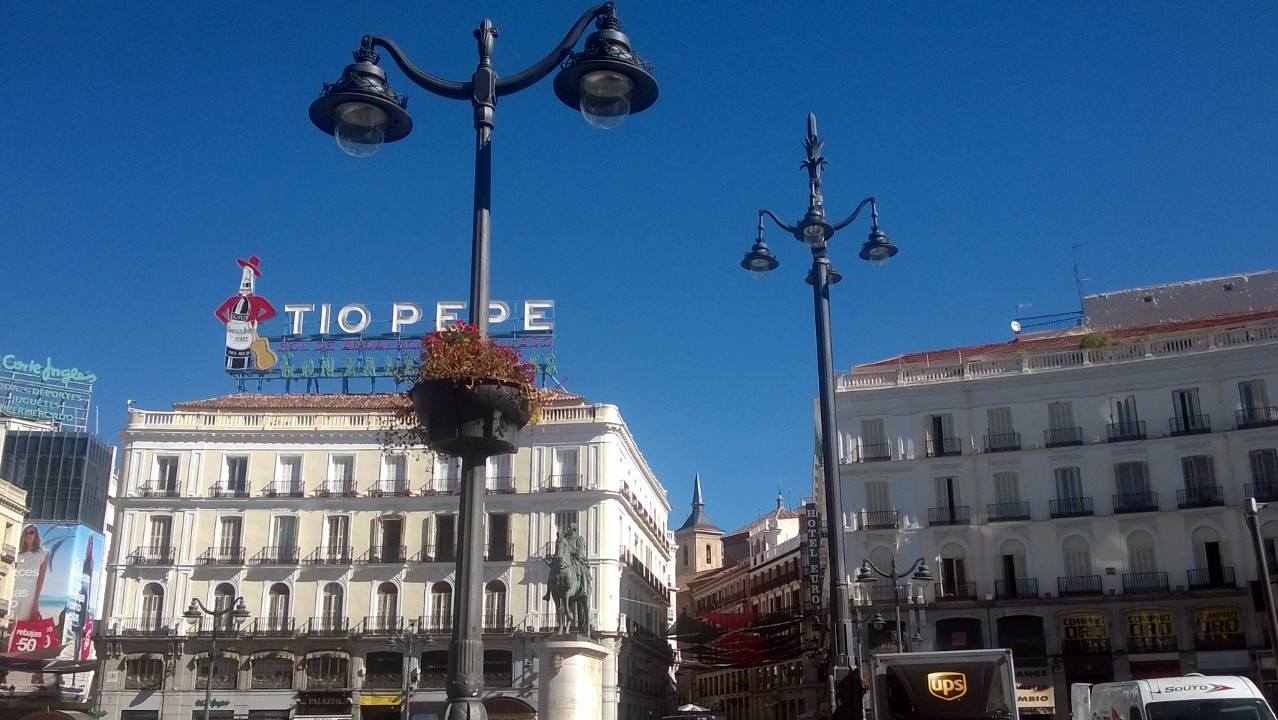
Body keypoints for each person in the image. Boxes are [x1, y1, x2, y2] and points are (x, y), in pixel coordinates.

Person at [12, 525, 50, 623]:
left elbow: (41, 578)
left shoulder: (43, 553)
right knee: (9, 618)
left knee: (24, 621)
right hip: (15, 589)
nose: (28, 535)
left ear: (35, 535)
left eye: (31, 532)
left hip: (30, 591)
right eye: (26, 533)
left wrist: (36, 600)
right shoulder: (18, 553)